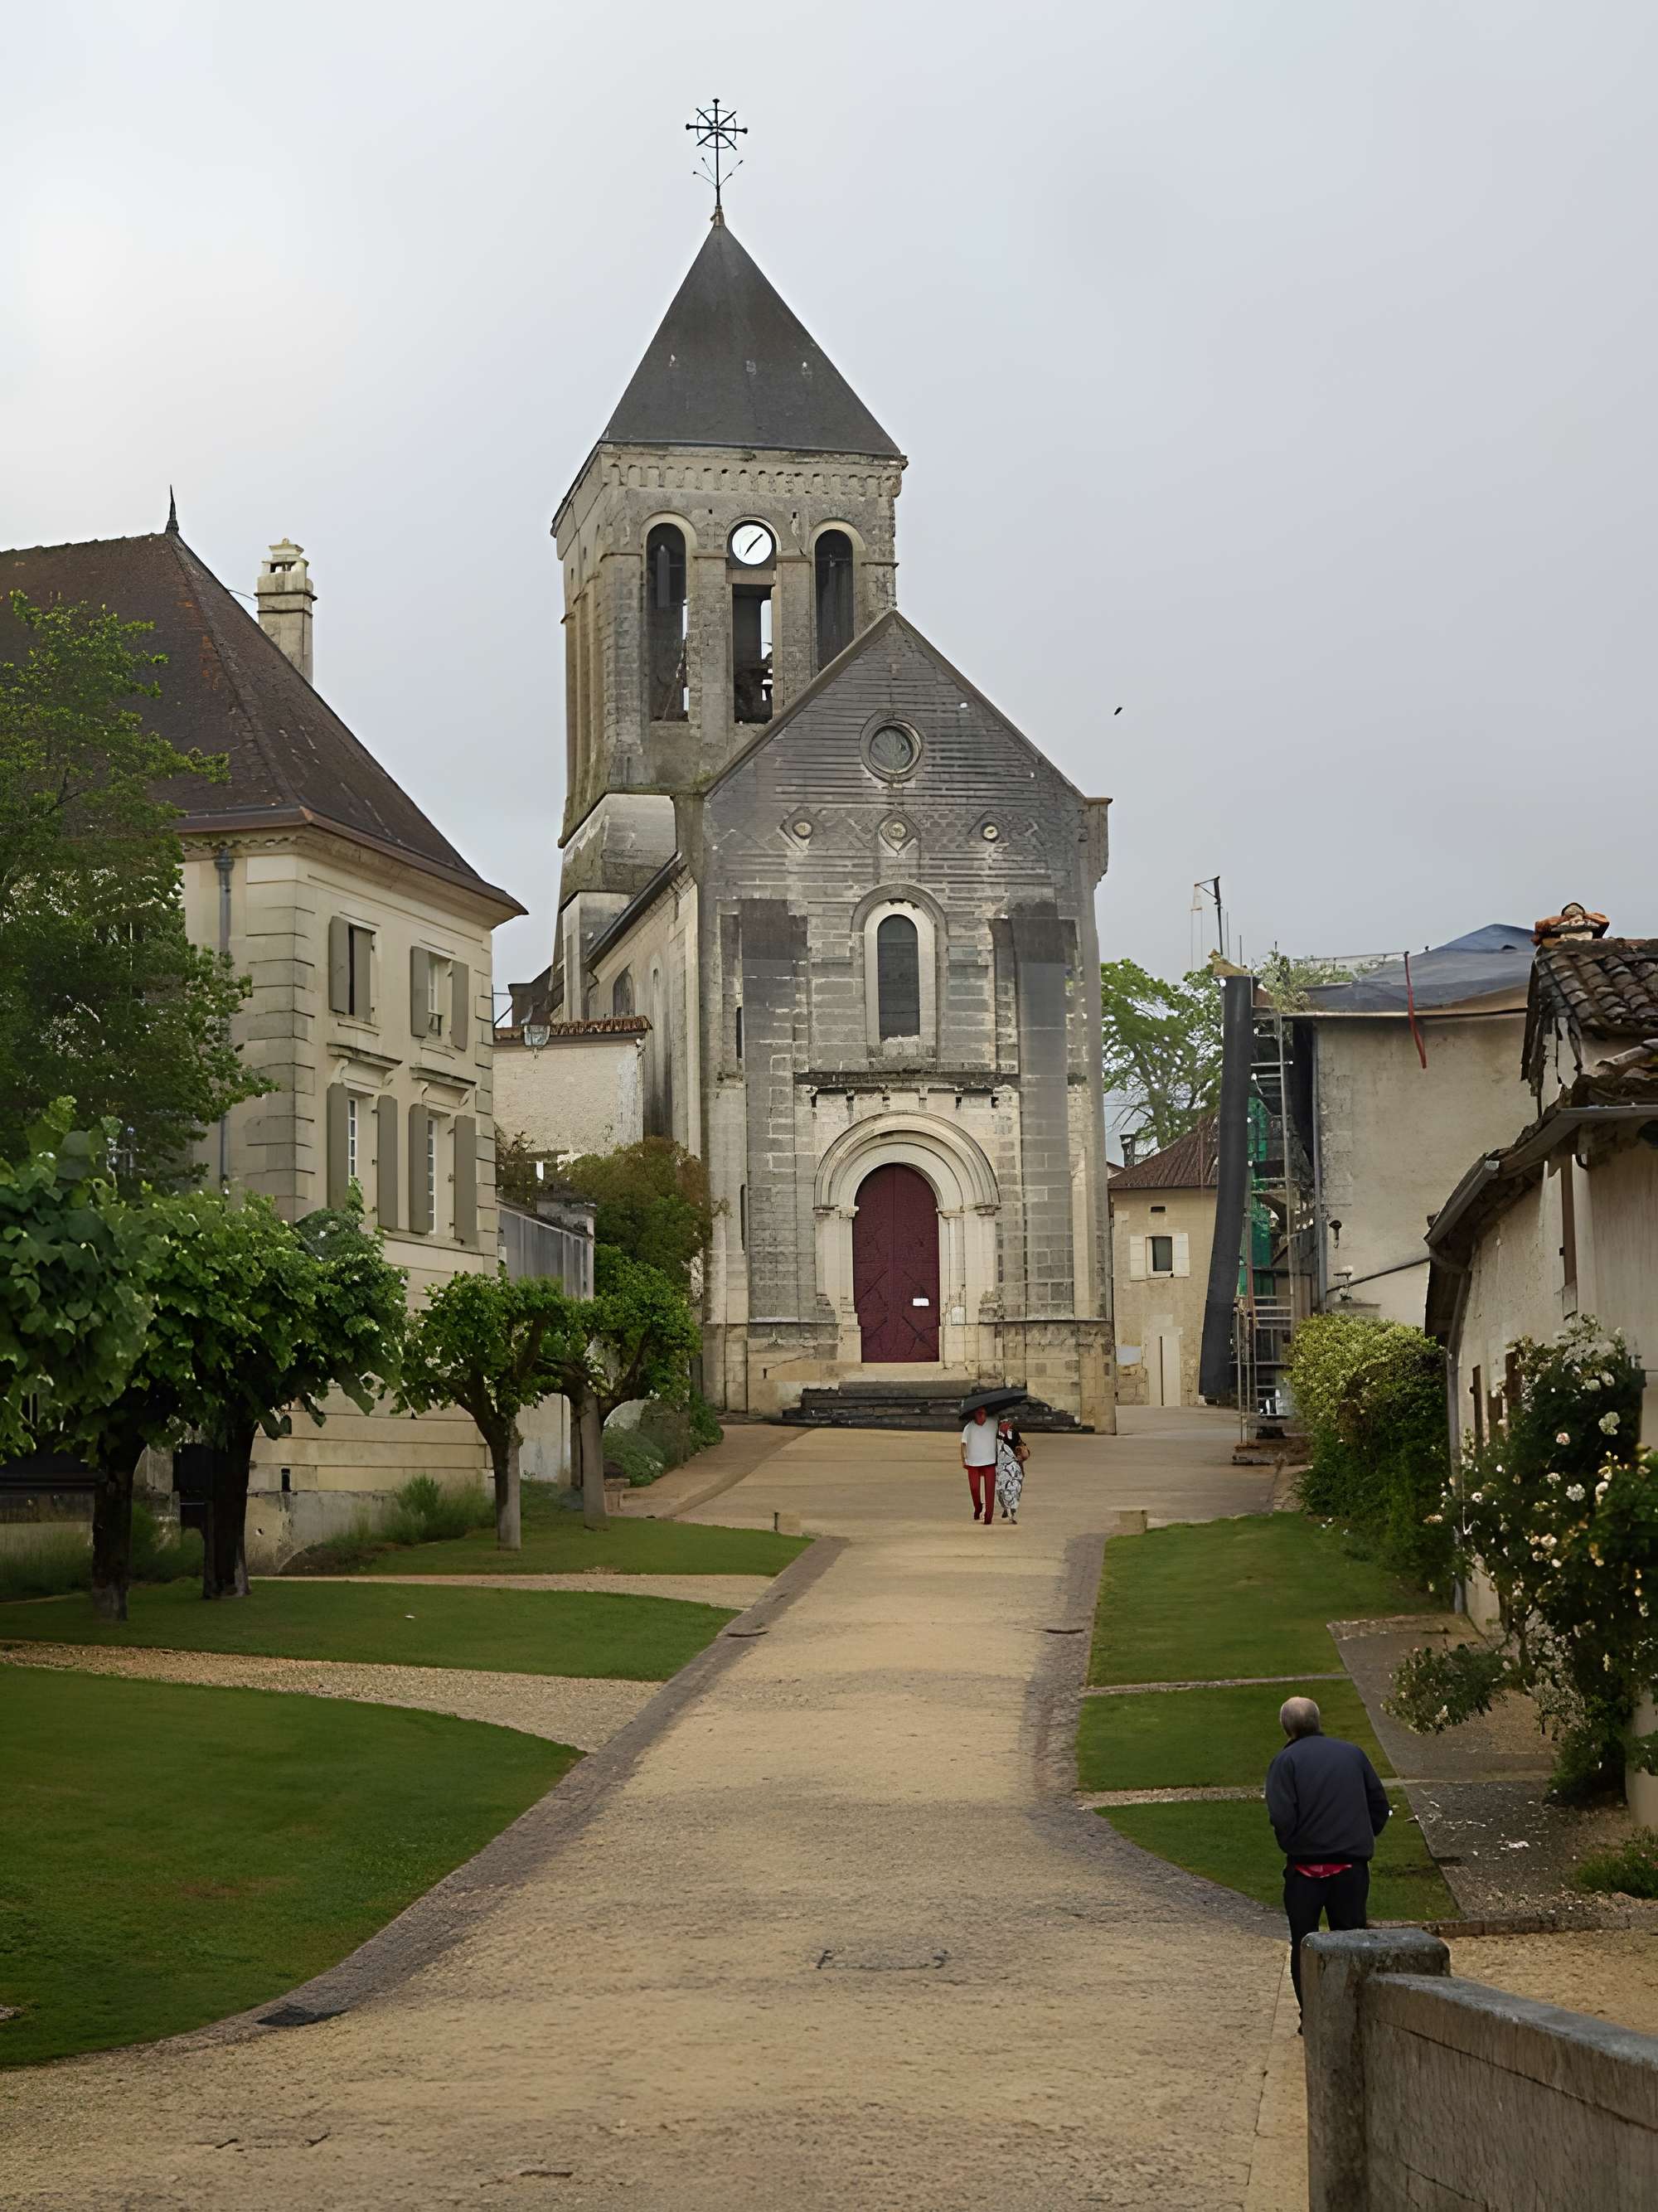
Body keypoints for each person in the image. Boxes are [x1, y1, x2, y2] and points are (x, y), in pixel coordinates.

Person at [1265, 1695, 1391, 2021]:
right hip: (1350, 1867)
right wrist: (1360, 1836)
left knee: (1304, 1944)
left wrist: (1294, 1845)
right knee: (1351, 1941)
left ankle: (1311, 2017)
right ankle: (1354, 2013)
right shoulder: (1352, 1754)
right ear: (1318, 1721)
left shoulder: (1285, 1762)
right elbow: (1379, 1804)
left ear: (1286, 1728)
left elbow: (1281, 1816)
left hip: (1304, 1871)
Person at [961, 1407, 998, 1524]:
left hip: (990, 1460)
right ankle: (978, 1507)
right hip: (973, 1462)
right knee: (974, 1488)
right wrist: (964, 1459)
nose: (981, 1416)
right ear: (975, 1415)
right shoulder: (969, 1427)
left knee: (990, 1490)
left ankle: (988, 1517)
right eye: (979, 1414)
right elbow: (963, 1444)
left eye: (983, 1414)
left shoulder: (994, 1423)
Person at [994, 1417, 1029, 1523]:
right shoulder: (1007, 1433)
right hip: (1007, 1465)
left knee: (1007, 1488)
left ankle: (1009, 1510)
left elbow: (1021, 1448)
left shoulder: (999, 1433)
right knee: (1009, 1488)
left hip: (1007, 1465)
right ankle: (1009, 1509)